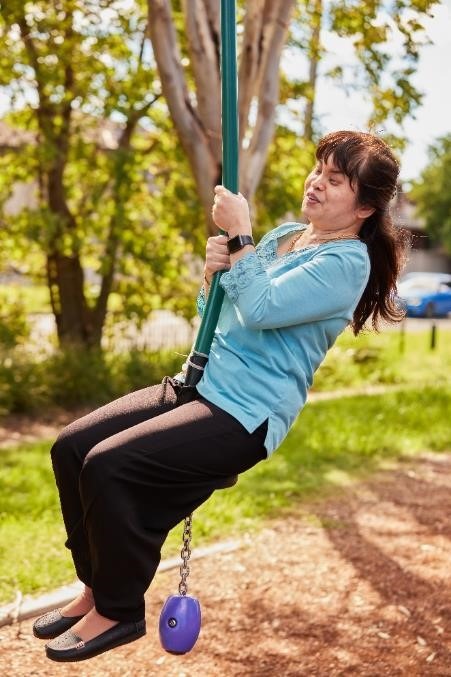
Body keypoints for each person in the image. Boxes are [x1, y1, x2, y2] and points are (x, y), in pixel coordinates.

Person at [33, 130, 408, 662]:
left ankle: (118, 611)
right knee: (71, 447)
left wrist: (238, 238)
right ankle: (95, 587)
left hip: (244, 414)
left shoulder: (347, 264)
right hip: (198, 382)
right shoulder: (283, 238)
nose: (316, 184)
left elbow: (260, 309)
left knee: (108, 466)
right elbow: (220, 310)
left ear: (366, 206)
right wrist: (213, 273)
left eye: (336, 180)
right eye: (318, 170)